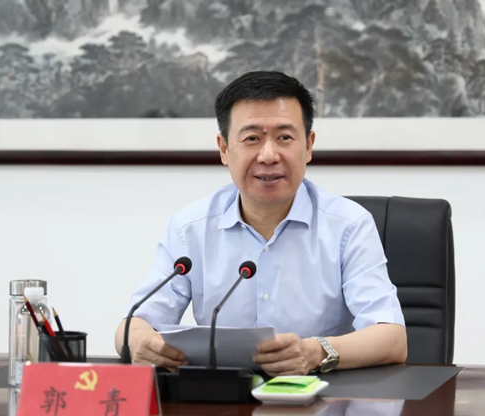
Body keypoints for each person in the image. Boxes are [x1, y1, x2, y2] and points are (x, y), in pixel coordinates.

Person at [115, 71, 407, 376]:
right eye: (252, 138)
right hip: (220, 395)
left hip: (322, 394)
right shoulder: (190, 229)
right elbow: (132, 324)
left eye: (284, 137)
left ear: (308, 146)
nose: (268, 156)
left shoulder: (348, 226)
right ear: (224, 149)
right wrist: (140, 342)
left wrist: (314, 352)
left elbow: (392, 339)